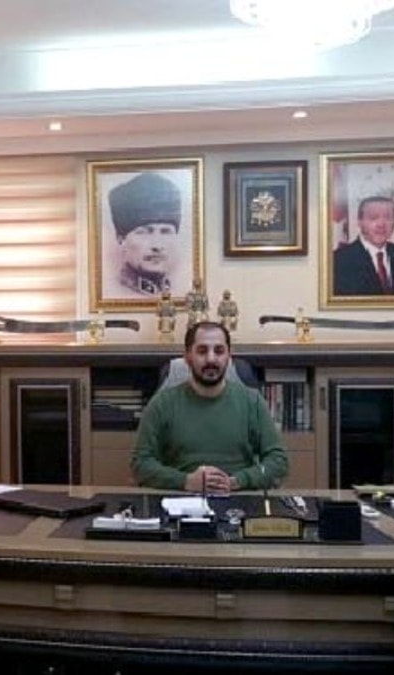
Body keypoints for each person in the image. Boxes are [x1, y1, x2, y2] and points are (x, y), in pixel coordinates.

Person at [131, 321, 288, 493]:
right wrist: (185, 481)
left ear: (229, 356)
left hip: (238, 498)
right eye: (202, 351)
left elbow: (278, 461)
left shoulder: (253, 402)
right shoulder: (162, 404)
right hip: (180, 498)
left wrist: (237, 482)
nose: (211, 359)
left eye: (219, 351)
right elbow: (141, 464)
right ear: (187, 357)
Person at [108, 172, 181, 296]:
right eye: (144, 232)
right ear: (121, 238)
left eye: (165, 231)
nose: (157, 246)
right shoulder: (112, 291)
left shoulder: (177, 291)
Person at [332, 195, 394, 296]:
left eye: (388, 217)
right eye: (373, 218)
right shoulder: (339, 259)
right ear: (360, 221)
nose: (381, 224)